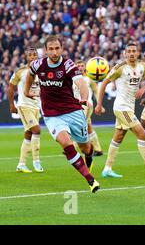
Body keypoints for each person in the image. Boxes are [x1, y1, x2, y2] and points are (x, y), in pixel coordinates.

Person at [24, 35, 99, 192]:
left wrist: (84, 98)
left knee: (86, 148)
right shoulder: (38, 65)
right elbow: (30, 74)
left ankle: (89, 157)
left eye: (57, 48)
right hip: (52, 115)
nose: (54, 52)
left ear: (62, 49)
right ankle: (90, 180)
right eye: (50, 49)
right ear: (45, 51)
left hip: (73, 111)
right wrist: (26, 91)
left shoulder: (68, 65)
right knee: (66, 143)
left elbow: (81, 83)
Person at [95, 43, 145, 178]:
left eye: (134, 51)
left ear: (138, 53)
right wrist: (99, 104)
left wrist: (144, 88)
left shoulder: (142, 66)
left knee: (118, 137)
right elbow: (104, 83)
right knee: (142, 134)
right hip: (121, 108)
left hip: (129, 108)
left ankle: (107, 169)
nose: (131, 53)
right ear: (125, 53)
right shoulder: (119, 68)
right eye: (129, 51)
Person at [8, 47, 44, 173]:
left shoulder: (42, 71)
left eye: (35, 55)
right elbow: (11, 87)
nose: (33, 57)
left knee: (28, 134)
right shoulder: (21, 71)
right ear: (26, 57)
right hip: (24, 105)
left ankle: (21, 164)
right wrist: (12, 105)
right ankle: (36, 161)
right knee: (37, 130)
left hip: (36, 106)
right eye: (30, 55)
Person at [73, 60, 103, 156]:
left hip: (87, 105)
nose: (80, 67)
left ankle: (72, 147)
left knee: (80, 126)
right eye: (78, 65)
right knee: (88, 127)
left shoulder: (89, 79)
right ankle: (98, 149)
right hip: (76, 106)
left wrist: (99, 104)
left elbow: (96, 91)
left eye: (82, 65)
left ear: (85, 67)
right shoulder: (73, 79)